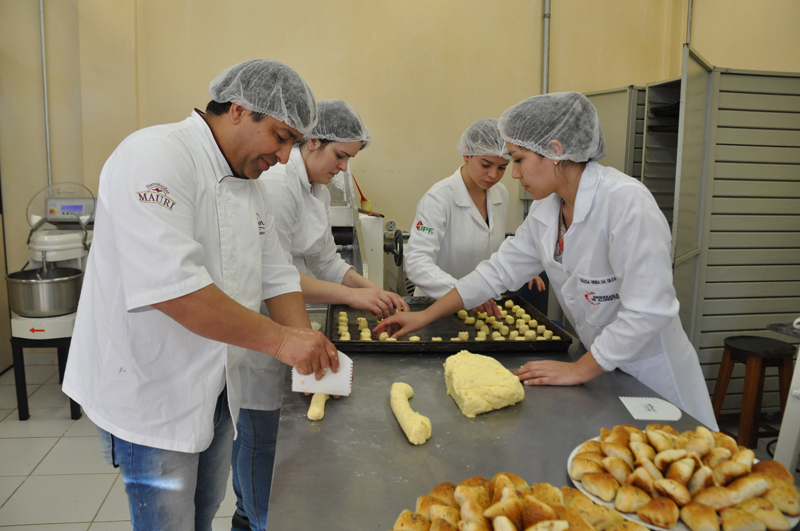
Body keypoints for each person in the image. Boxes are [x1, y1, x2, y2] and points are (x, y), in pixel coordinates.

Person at [62, 59, 340, 531]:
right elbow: (176, 292)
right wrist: (282, 343)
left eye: (294, 142)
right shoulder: (155, 156)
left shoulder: (248, 184)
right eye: (280, 136)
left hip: (215, 388)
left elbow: (277, 275)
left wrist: (305, 342)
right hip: (151, 392)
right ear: (237, 110)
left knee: (202, 516)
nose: (286, 156)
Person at [375, 92, 718, 430]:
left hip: (651, 377)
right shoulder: (546, 210)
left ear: (555, 151)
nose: (511, 174)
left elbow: (649, 310)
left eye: (518, 160)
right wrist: (424, 316)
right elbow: (497, 272)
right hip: (603, 369)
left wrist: (578, 369)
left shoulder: (626, 203)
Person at [231, 99, 408, 531]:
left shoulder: (317, 188)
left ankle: (252, 515)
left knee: (276, 440)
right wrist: (352, 300)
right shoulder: (277, 184)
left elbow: (326, 261)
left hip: (292, 327)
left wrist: (371, 289)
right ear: (312, 142)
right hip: (261, 328)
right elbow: (277, 274)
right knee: (258, 435)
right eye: (340, 156)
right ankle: (256, 521)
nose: (344, 169)